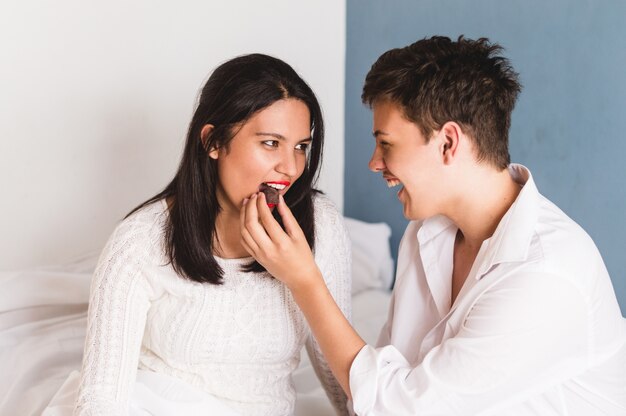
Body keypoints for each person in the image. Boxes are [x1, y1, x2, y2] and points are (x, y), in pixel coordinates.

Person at [240, 36, 626, 415]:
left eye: (386, 143)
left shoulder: (546, 273)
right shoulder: (426, 233)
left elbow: (396, 408)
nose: (375, 163)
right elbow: (382, 382)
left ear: (447, 144)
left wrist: (305, 281)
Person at [44, 53, 351, 416]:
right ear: (213, 142)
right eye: (271, 143)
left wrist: (303, 278)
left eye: (301, 146)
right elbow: (101, 399)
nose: (290, 167)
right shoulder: (139, 242)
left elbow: (339, 370)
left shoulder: (320, 227)